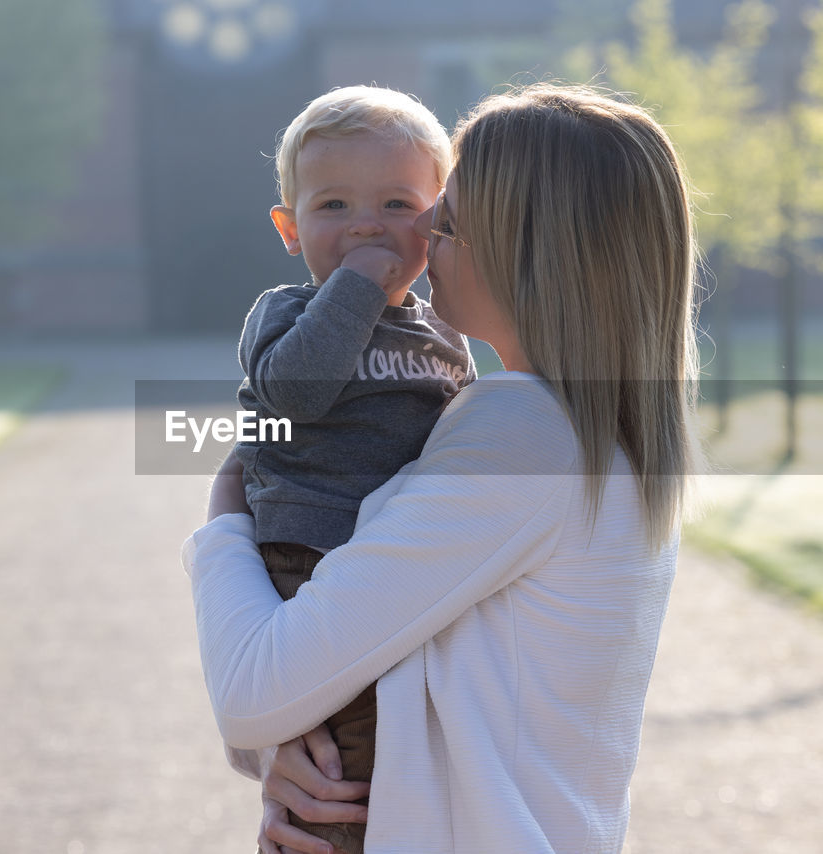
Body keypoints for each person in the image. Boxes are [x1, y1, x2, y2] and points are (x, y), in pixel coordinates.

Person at [186, 82, 699, 854]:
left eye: (447, 218)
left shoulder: (524, 435)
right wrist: (291, 755)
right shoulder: (587, 431)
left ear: (532, 252)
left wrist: (225, 516)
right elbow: (395, 660)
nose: (414, 231)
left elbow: (256, 691)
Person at [232, 85, 476, 854]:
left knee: (412, 748)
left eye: (397, 204)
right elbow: (293, 394)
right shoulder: (287, 313)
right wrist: (358, 287)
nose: (366, 224)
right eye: (333, 206)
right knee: (346, 765)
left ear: (438, 220)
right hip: (311, 556)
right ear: (289, 228)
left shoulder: (445, 333)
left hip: (398, 568)